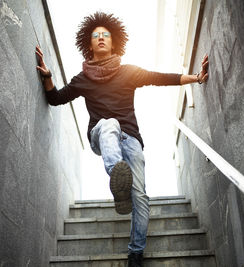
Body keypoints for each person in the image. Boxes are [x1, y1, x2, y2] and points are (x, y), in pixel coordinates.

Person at [35, 11, 208, 267]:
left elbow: (159, 78)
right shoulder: (82, 79)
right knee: (109, 123)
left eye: (106, 35)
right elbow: (55, 98)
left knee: (140, 197)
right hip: (101, 136)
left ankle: (135, 253)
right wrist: (48, 76)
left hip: (132, 141)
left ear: (114, 42)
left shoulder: (128, 72)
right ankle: (117, 173)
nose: (101, 38)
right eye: (96, 35)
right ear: (89, 43)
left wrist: (195, 78)